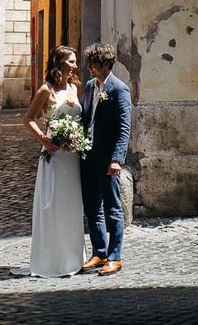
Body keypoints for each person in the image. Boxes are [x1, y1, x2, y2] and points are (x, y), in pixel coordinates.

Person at [18, 44, 85, 277]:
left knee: (71, 206)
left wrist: (78, 138)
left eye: (75, 62)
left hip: (72, 159)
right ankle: (52, 261)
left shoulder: (74, 87)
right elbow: (28, 119)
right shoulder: (46, 90)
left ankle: (72, 259)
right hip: (55, 158)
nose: (75, 66)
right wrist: (44, 139)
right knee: (54, 206)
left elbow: (78, 118)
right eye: (72, 61)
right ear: (60, 63)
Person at [78, 42, 131, 276]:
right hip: (87, 156)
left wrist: (117, 159)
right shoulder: (90, 86)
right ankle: (98, 251)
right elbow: (85, 118)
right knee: (92, 208)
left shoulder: (119, 89)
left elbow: (124, 128)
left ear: (107, 64)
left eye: (94, 64)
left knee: (112, 208)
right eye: (89, 63)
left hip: (108, 158)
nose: (90, 67)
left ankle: (115, 256)